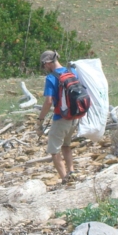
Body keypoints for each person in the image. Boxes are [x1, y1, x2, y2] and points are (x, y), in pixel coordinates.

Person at [36, 50, 79, 181]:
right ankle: (71, 172)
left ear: (48, 63)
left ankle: (65, 179)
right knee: (66, 145)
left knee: (54, 151)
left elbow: (49, 101)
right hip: (75, 117)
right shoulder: (72, 72)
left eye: (43, 65)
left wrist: (40, 119)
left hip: (61, 118)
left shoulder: (51, 78)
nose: (44, 68)